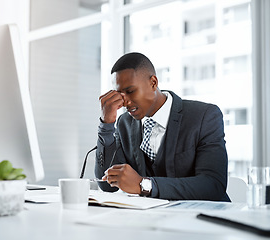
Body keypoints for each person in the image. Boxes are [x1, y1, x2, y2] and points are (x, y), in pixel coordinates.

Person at [95, 52, 230, 201]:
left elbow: (213, 185)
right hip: (151, 220)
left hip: (204, 218)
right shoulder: (124, 123)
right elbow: (107, 185)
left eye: (130, 91)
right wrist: (106, 125)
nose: (125, 102)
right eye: (120, 94)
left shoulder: (204, 116)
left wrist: (144, 185)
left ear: (153, 82)